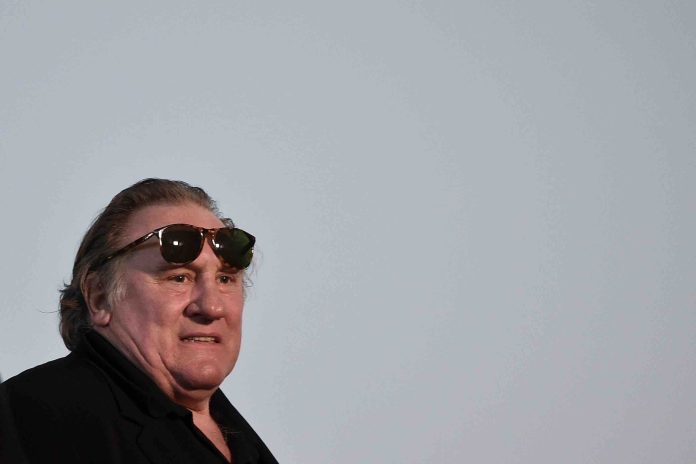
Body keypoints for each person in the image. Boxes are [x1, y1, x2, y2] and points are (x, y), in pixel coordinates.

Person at [0, 178, 278, 463]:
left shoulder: (240, 440)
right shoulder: (28, 416)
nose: (212, 306)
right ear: (99, 297)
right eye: (179, 278)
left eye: (225, 279)